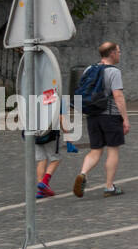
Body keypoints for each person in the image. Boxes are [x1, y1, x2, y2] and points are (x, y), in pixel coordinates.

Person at [73, 41, 129, 198]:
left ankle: (83, 173)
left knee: (95, 150)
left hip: (92, 115)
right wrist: (125, 119)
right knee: (113, 150)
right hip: (110, 116)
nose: (119, 54)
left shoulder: (90, 69)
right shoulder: (114, 72)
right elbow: (118, 96)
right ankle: (109, 187)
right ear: (111, 53)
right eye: (118, 51)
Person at [34, 96, 73, 198]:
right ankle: (44, 182)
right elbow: (61, 118)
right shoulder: (59, 97)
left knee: (41, 160)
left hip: (35, 134)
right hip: (50, 135)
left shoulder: (36, 93)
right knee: (56, 159)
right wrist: (68, 136)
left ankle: (40, 190)